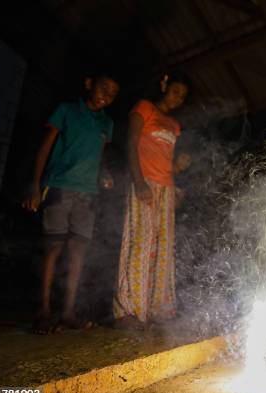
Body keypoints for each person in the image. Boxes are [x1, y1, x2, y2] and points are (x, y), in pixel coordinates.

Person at [23, 74, 119, 334]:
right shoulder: (66, 110)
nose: (106, 96)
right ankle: (43, 311)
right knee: (52, 248)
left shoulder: (106, 124)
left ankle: (67, 312)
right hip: (59, 186)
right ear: (89, 83)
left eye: (112, 95)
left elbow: (99, 157)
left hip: (87, 195)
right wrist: (35, 184)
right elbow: (44, 148)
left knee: (78, 253)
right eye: (104, 88)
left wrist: (105, 173)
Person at [113, 73, 191, 330]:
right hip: (144, 182)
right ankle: (128, 311)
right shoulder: (144, 108)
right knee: (139, 244)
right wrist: (138, 182)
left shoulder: (174, 125)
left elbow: (165, 160)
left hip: (166, 188)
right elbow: (131, 142)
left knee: (163, 248)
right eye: (176, 91)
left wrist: (177, 170)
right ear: (164, 85)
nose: (178, 98)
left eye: (183, 96)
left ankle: (159, 309)